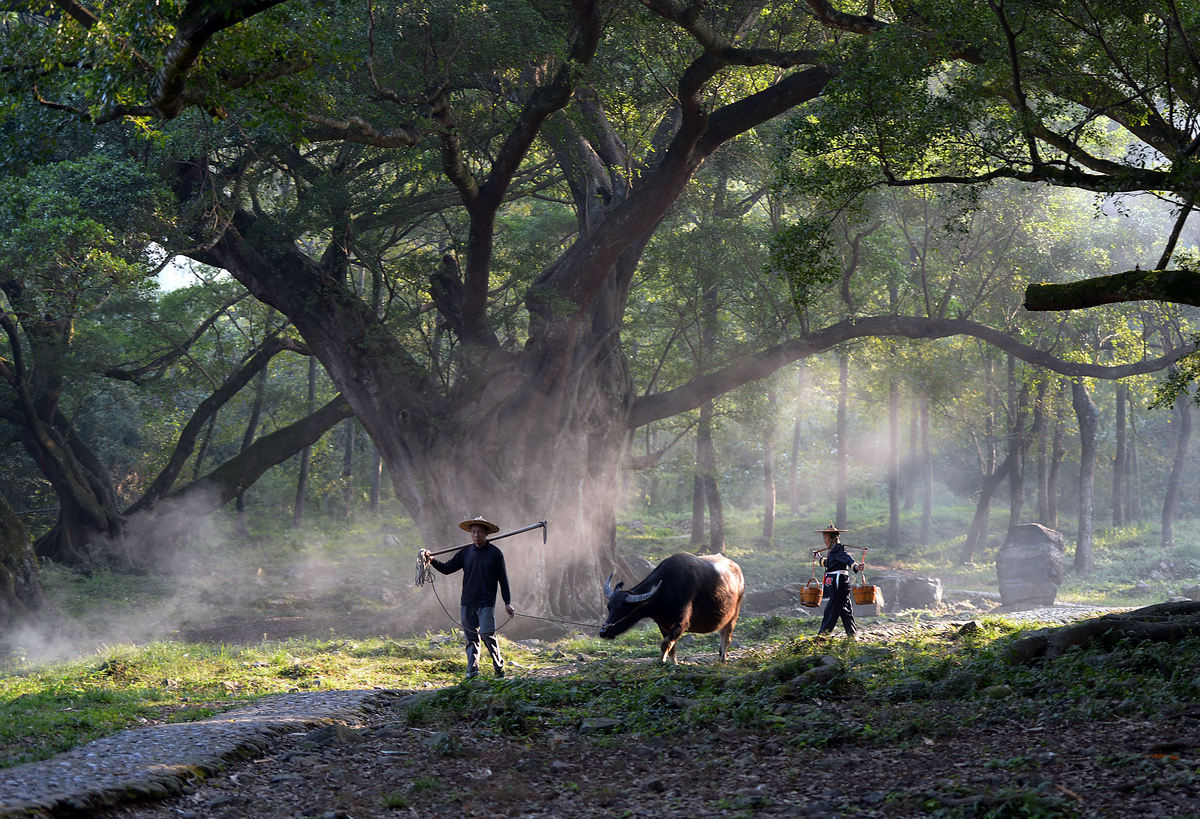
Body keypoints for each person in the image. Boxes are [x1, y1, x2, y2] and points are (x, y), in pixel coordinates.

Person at [420, 515, 516, 679]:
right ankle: (472, 669)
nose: (476, 535)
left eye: (479, 532)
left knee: (487, 634)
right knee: (471, 638)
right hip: (467, 602)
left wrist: (507, 602)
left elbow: (503, 580)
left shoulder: (495, 554)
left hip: (486, 603)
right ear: (470, 534)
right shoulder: (465, 553)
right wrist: (432, 560)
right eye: (473, 532)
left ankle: (498, 666)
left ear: (486, 533)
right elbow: (447, 568)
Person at [813, 523, 863, 639]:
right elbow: (828, 564)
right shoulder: (833, 551)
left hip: (839, 585)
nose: (824, 541)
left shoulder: (838, 550)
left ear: (834, 539)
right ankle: (852, 635)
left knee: (831, 611)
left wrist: (856, 567)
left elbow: (848, 560)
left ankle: (822, 637)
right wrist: (819, 558)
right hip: (841, 585)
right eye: (824, 538)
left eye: (826, 538)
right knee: (845, 611)